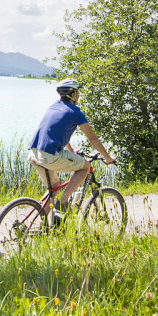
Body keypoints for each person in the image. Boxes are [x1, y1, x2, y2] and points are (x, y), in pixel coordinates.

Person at [27, 78, 114, 217]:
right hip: (49, 156)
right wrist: (108, 157)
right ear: (72, 94)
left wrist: (71, 151)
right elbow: (93, 139)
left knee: (54, 188)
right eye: (77, 92)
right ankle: (63, 201)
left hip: (34, 153)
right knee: (85, 166)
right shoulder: (74, 111)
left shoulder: (53, 107)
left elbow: (57, 131)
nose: (78, 95)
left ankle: (38, 224)